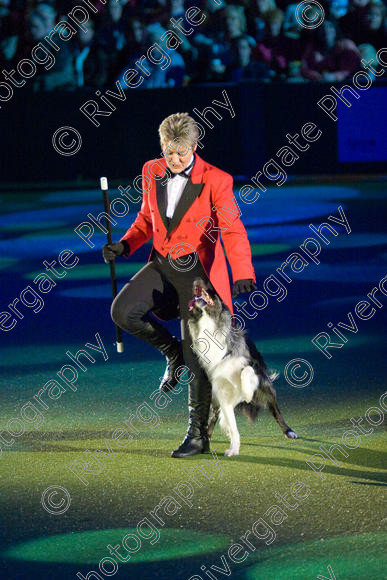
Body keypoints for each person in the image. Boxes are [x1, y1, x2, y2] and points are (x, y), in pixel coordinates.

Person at [102, 113, 256, 458]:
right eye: (167, 152)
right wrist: (125, 245)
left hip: (198, 276)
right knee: (123, 311)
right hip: (162, 264)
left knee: (197, 353)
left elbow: (231, 228)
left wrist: (243, 269)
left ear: (194, 147)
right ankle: (171, 353)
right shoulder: (151, 170)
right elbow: (146, 219)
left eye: (180, 154)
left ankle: (198, 434)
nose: (172, 160)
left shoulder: (217, 179)